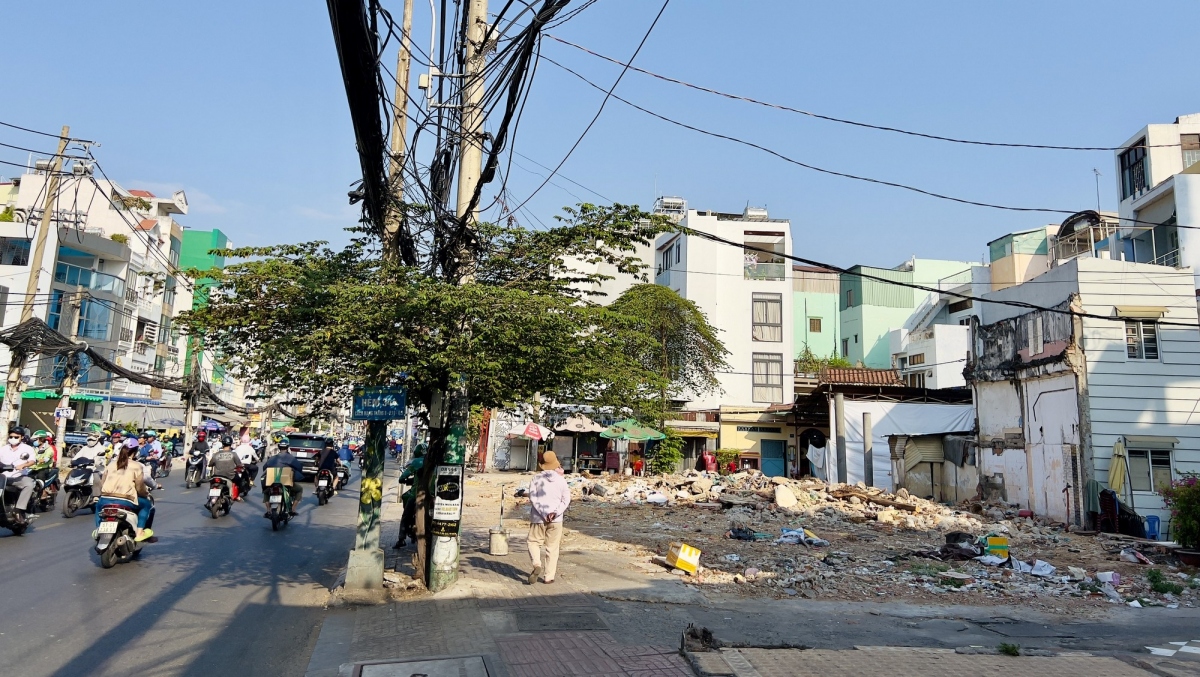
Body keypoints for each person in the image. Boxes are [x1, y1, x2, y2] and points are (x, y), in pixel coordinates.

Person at [96, 440, 154, 541]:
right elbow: (140, 488)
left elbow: (102, 483)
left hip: (105, 498)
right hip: (126, 500)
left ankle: (98, 530)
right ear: (135, 452)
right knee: (146, 505)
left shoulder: (111, 464)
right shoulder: (137, 466)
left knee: (97, 507)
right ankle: (139, 533)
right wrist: (145, 495)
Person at [526, 451, 570, 585]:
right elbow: (566, 500)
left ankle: (536, 563)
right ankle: (548, 577)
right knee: (552, 547)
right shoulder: (561, 480)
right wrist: (555, 513)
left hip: (538, 518)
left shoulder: (536, 479)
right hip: (556, 520)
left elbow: (533, 498)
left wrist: (543, 513)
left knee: (533, 542)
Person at [392, 444, 426, 549]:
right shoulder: (432, 462)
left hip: (416, 493)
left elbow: (403, 476)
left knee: (405, 516)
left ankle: (401, 539)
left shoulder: (416, 462)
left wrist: (403, 479)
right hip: (431, 494)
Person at [0, 429, 37, 522]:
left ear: (22, 437)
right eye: (11, 437)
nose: (13, 439)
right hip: (3, 477)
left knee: (29, 484)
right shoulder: (3, 449)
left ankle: (18, 510)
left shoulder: (27, 449)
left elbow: (32, 461)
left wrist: (23, 465)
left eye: (16, 437)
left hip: (18, 477)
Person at [261, 437, 305, 516]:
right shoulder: (291, 458)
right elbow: (299, 467)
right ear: (287, 447)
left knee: (266, 492)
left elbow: (264, 467)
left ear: (279, 447)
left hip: (272, 482)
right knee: (299, 489)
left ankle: (268, 510)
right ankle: (293, 509)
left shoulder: (272, 458)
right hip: (286, 482)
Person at [208, 435, 243, 501]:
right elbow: (239, 464)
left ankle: (210, 496)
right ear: (230, 444)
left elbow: (210, 464)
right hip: (230, 476)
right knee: (239, 481)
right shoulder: (233, 454)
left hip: (217, 475)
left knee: (211, 482)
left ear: (222, 444)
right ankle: (237, 496)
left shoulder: (216, 454)